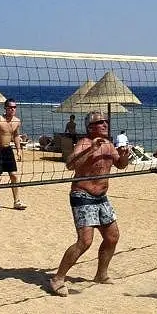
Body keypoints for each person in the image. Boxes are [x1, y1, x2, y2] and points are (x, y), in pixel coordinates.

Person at [48, 111, 131, 296]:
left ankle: (101, 274)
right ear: (90, 127)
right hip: (82, 195)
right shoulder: (85, 143)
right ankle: (57, 278)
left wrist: (125, 155)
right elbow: (70, 164)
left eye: (105, 121)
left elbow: (121, 165)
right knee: (85, 241)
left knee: (112, 237)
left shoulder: (109, 144)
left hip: (101, 197)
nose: (105, 124)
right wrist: (91, 149)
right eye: (100, 122)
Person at [0, 98, 26, 211]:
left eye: (14, 107)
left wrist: (19, 150)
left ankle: (16, 202)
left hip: (8, 150)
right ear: (5, 108)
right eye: (10, 107)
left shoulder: (17, 121)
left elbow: (16, 136)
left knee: (14, 175)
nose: (13, 109)